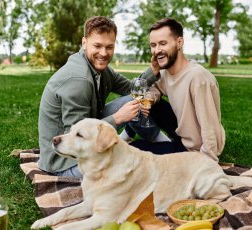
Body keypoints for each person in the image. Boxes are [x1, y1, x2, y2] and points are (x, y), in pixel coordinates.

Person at [38, 16, 161, 177]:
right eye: (97, 46)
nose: (103, 53)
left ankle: (162, 144)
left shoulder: (99, 68)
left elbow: (131, 89)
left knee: (135, 100)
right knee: (131, 166)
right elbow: (76, 136)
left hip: (83, 138)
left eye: (109, 47)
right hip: (64, 161)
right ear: (84, 43)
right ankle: (160, 149)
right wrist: (118, 118)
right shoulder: (78, 80)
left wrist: (153, 69)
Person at [127, 18, 225, 162]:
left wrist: (206, 161)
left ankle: (167, 147)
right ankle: (162, 143)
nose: (157, 50)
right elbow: (154, 89)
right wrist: (148, 101)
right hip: (181, 136)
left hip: (195, 150)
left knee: (134, 151)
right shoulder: (166, 73)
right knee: (142, 101)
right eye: (153, 45)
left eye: (163, 43)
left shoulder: (198, 78)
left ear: (179, 42)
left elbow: (210, 127)